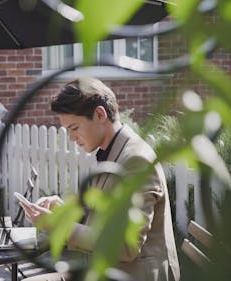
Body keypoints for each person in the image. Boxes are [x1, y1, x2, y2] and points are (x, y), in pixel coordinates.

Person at [20, 77, 180, 281]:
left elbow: (126, 247)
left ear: (99, 114)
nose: (71, 139)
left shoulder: (136, 160)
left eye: (74, 128)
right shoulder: (113, 151)